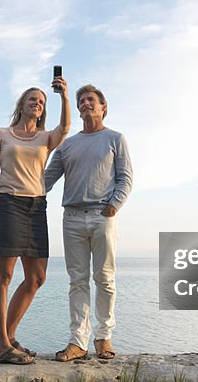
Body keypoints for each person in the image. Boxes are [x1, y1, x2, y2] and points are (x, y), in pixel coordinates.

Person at [0, 77, 70, 364]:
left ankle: (8, 337)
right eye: (33, 99)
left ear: (43, 111)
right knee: (2, 277)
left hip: (36, 207)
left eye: (41, 102)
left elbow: (65, 127)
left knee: (36, 277)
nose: (37, 103)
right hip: (7, 204)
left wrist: (63, 95)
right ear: (22, 104)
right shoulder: (1, 134)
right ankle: (0, 347)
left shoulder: (46, 138)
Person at [44, 84, 133, 362]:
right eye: (81, 100)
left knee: (104, 279)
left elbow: (126, 177)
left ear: (103, 106)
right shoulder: (68, 144)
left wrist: (113, 205)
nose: (85, 103)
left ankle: (104, 337)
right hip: (71, 218)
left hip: (102, 216)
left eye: (90, 100)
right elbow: (45, 180)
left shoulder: (115, 138)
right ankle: (78, 342)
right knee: (77, 281)